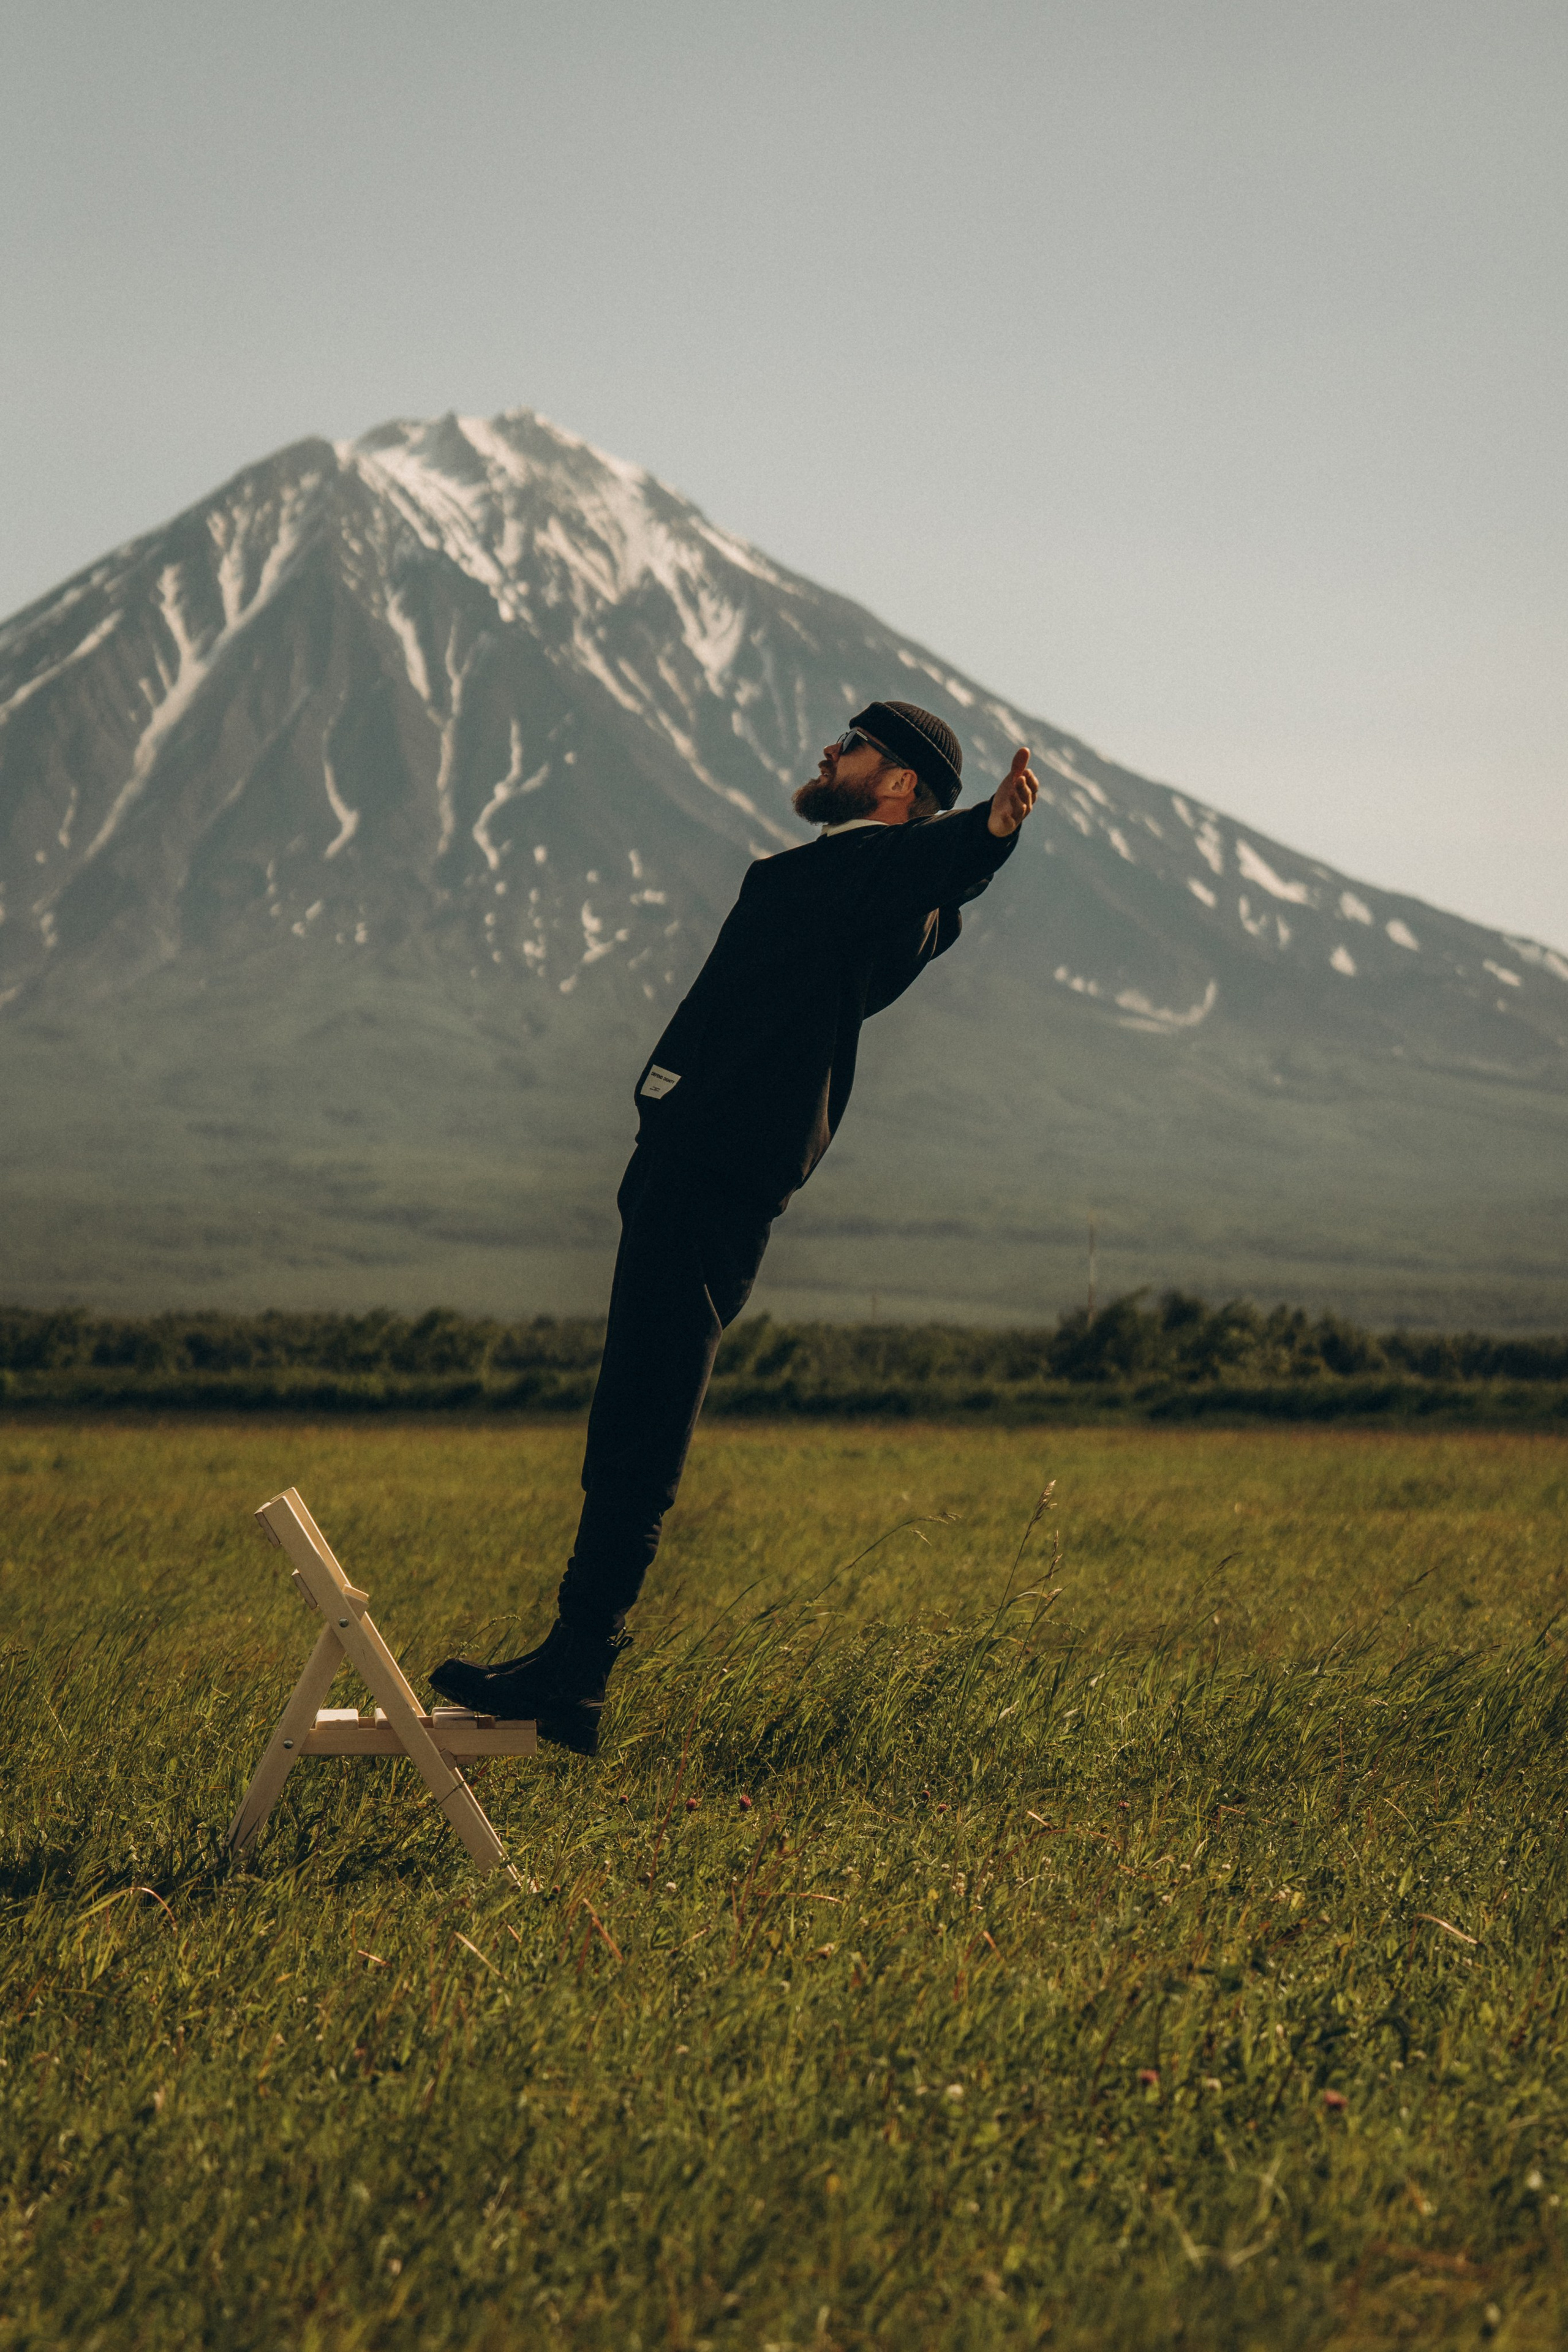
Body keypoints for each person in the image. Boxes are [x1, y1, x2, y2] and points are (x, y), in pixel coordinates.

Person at [430, 700, 1039, 1751]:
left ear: (898, 786)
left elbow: (926, 880)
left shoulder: (872, 885)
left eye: (853, 745)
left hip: (712, 1177)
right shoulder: (853, 883)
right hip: (687, 1166)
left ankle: (578, 1668)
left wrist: (987, 834)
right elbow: (915, 886)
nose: (828, 751)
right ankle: (572, 1659)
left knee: (645, 1417)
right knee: (633, 1410)